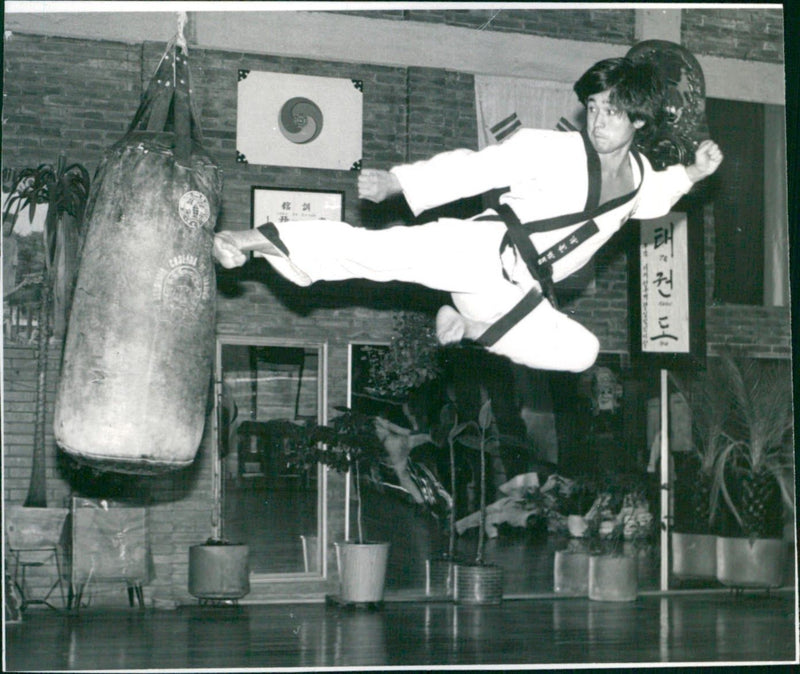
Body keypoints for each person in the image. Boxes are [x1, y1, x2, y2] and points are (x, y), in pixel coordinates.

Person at [214, 57, 723, 373]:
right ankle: (257, 239)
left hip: (515, 296)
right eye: (593, 107)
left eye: (612, 111)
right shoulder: (557, 150)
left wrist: (693, 174)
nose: (598, 121)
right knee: (380, 253)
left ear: (638, 118)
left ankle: (465, 323)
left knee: (583, 353)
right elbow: (479, 168)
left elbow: (656, 196)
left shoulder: (635, 177)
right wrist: (401, 183)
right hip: (483, 248)